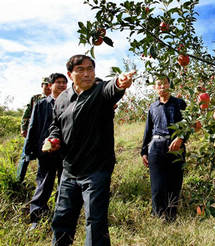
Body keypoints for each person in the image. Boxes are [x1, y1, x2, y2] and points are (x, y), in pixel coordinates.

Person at [45, 54, 135, 246]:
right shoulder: (62, 99)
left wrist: (120, 82)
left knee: (95, 223)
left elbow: (113, 88)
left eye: (90, 69)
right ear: (70, 74)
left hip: (96, 170)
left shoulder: (100, 91)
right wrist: (53, 139)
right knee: (62, 220)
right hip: (69, 171)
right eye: (81, 70)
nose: (87, 74)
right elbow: (55, 125)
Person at [141, 75, 187, 222]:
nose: (162, 87)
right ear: (155, 88)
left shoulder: (180, 103)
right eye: (159, 84)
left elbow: (189, 123)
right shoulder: (153, 107)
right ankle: (158, 218)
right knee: (157, 186)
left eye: (165, 83)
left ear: (170, 85)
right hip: (156, 147)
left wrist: (181, 138)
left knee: (175, 183)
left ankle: (171, 217)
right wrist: (143, 151)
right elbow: (148, 130)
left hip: (176, 148)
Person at [24, 73, 68, 229]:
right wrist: (29, 150)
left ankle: (59, 216)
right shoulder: (42, 104)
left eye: (64, 82)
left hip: (66, 152)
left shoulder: (71, 103)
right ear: (50, 86)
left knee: (64, 186)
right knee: (43, 184)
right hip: (46, 152)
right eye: (58, 82)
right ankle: (36, 218)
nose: (62, 85)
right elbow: (33, 127)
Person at [16, 77, 52, 182]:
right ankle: (19, 179)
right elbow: (26, 114)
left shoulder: (56, 98)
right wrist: (24, 128)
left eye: (49, 84)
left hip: (45, 133)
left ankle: (41, 180)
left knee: (44, 158)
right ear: (42, 85)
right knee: (25, 155)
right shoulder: (35, 98)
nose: (48, 87)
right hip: (33, 131)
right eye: (46, 85)